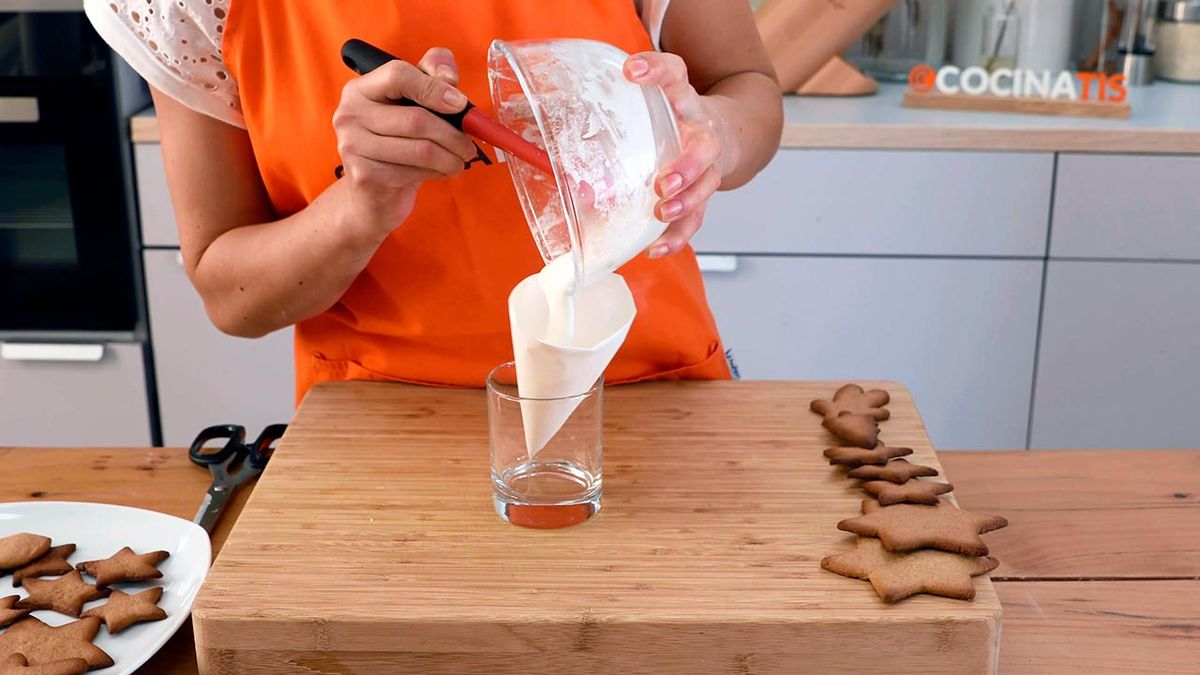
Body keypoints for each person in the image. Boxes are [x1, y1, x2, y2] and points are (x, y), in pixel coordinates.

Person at [85, 0, 783, 402]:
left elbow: (746, 83)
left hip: (651, 398)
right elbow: (230, 295)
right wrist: (359, 207)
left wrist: (713, 134)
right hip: (377, 433)